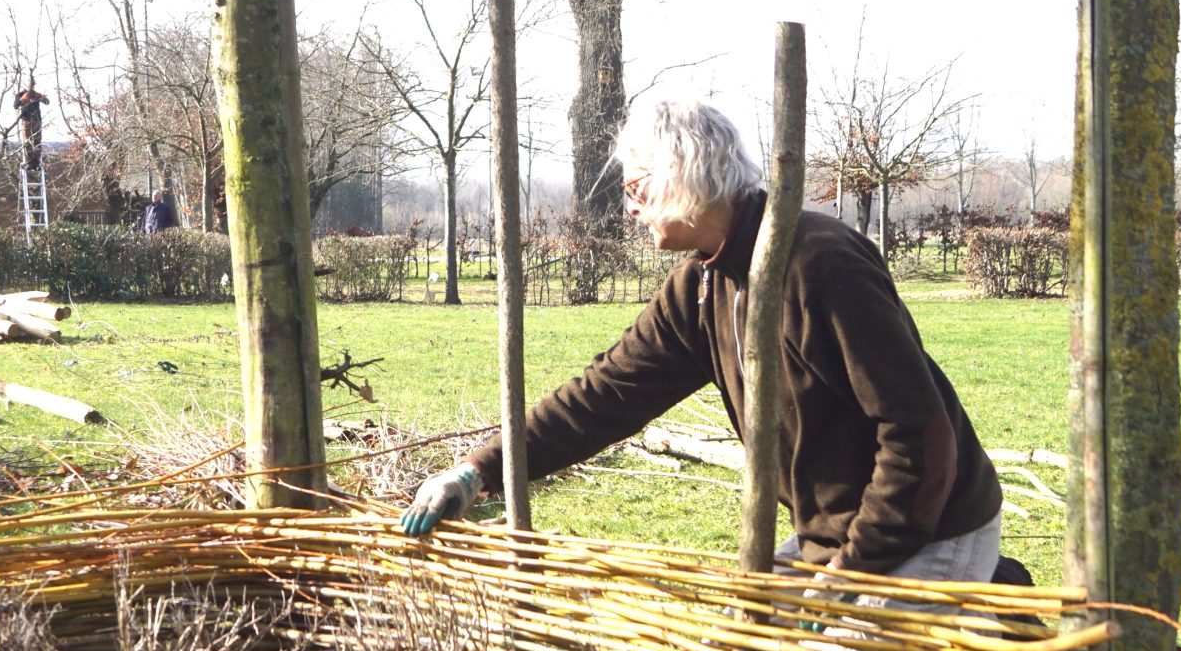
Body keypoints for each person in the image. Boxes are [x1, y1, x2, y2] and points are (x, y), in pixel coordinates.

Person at [401, 100, 1002, 588]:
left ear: (681, 178)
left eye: (637, 188)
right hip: (836, 535)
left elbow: (919, 437)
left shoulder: (821, 264)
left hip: (927, 529)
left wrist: (856, 567)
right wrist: (477, 471)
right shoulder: (702, 283)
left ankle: (996, 607)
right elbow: (604, 397)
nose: (630, 209)